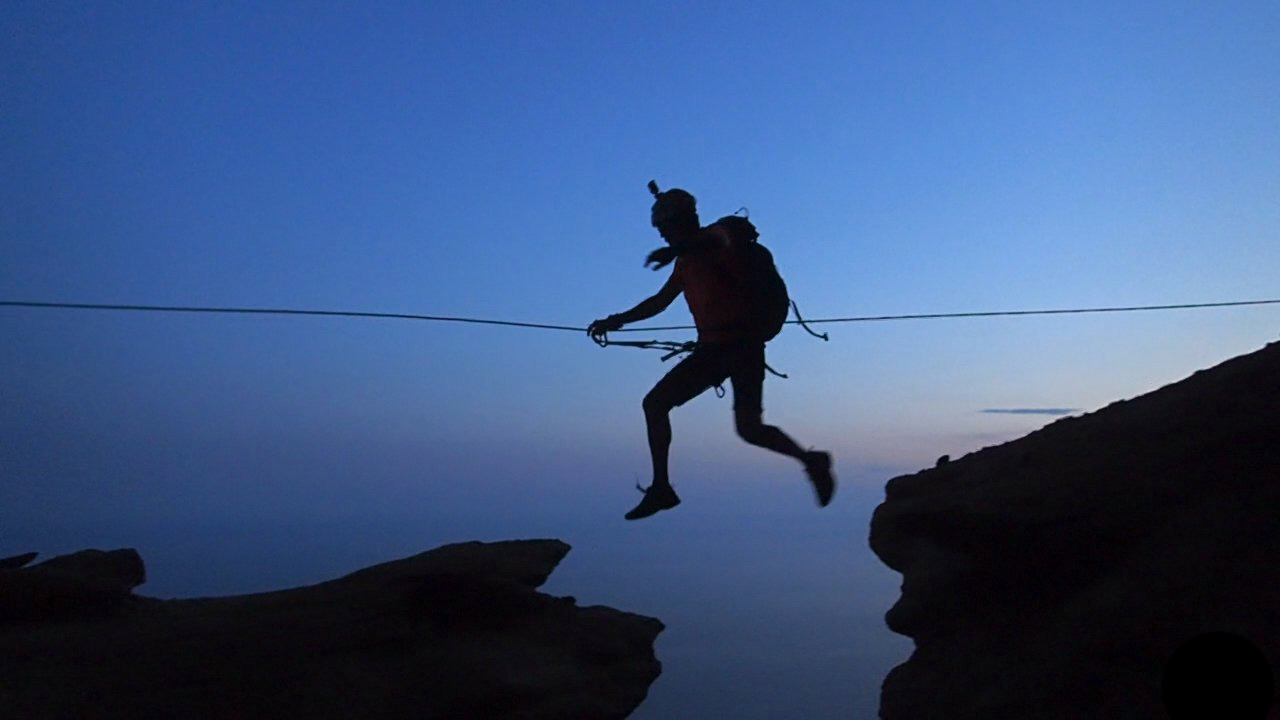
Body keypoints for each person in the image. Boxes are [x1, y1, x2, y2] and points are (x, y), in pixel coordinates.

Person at [589, 185, 836, 520]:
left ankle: (662, 488)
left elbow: (714, 241)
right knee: (745, 427)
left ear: (683, 220)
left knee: (664, 406)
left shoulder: (720, 238)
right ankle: (811, 462)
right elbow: (659, 302)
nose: (663, 236)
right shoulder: (685, 262)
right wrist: (615, 321)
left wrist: (673, 251)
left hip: (735, 347)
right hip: (724, 350)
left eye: (665, 228)